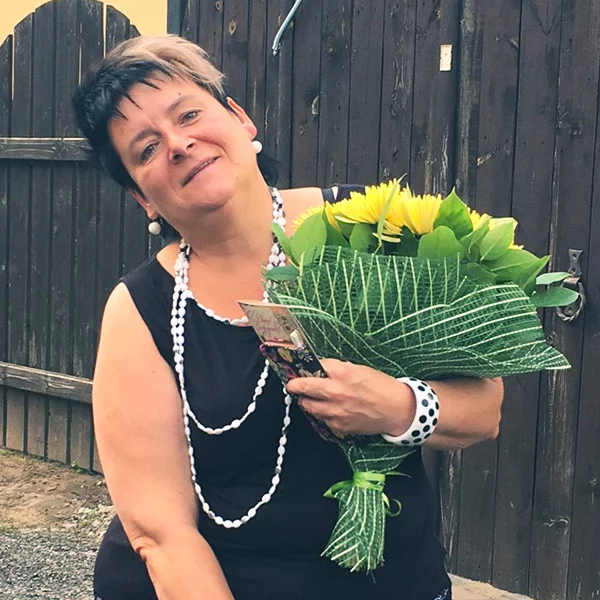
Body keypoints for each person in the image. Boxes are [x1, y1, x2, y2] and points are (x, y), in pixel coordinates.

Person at [73, 34, 503, 600]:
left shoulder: (369, 228)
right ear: (142, 199)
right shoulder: (141, 310)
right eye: (146, 149)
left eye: (189, 114)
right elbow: (161, 534)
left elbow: (485, 410)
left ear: (241, 119)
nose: (178, 144)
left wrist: (394, 406)